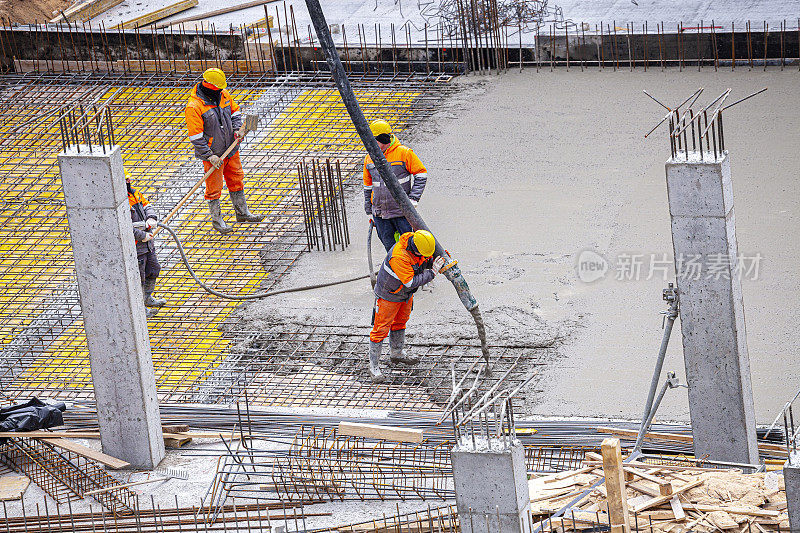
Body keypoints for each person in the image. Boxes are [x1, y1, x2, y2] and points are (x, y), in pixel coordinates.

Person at [185, 67, 263, 234]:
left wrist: (237, 130)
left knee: (236, 179)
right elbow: (195, 137)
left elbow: (235, 113)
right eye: (219, 88)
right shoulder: (194, 106)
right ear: (210, 86)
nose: (221, 90)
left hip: (231, 148)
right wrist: (209, 156)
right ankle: (217, 220)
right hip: (214, 155)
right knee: (214, 187)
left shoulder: (224, 95)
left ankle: (242, 213)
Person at [368, 230, 445, 383]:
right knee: (380, 329)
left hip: (405, 294)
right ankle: (373, 367)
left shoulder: (420, 244)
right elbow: (410, 282)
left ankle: (396, 353)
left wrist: (438, 259)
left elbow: (425, 258)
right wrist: (432, 273)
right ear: (415, 248)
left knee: (400, 322)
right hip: (388, 295)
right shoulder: (399, 256)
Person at [363, 119, 428, 251]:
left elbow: (421, 174)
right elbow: (368, 185)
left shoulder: (404, 153)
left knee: (410, 248)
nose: (370, 144)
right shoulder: (369, 158)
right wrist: (369, 209)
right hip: (381, 214)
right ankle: (395, 270)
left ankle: (413, 271)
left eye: (373, 140)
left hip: (402, 213)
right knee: (390, 249)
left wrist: (413, 199)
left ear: (383, 139)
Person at [127, 172, 165, 318]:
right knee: (139, 278)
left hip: (147, 243)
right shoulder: (120, 200)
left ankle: (147, 298)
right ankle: (140, 309)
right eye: (126, 179)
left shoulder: (134, 194)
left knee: (154, 269)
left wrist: (151, 217)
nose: (129, 180)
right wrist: (141, 236)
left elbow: (147, 205)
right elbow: (123, 226)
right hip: (136, 246)